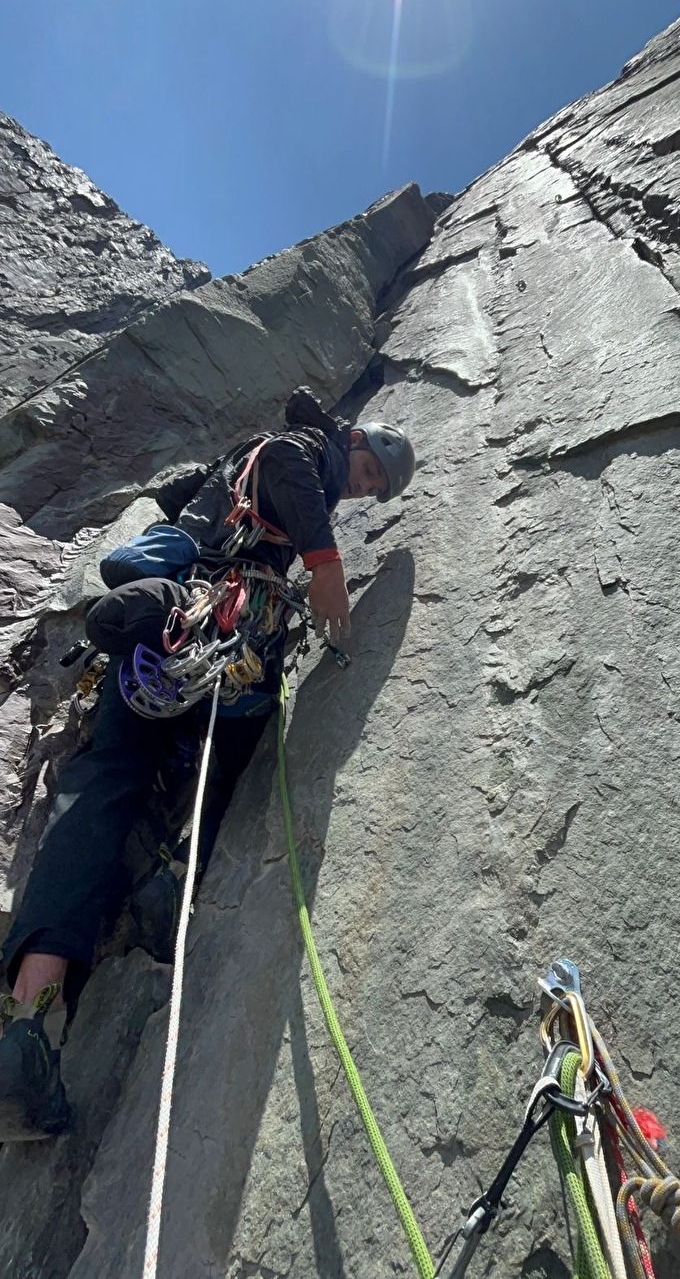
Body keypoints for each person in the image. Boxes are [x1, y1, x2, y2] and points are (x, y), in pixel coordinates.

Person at [0, 387, 415, 1141]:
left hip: (160, 638)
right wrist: (328, 584)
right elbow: (296, 483)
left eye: (370, 489)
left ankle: (26, 1028)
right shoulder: (297, 454)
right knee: (242, 740)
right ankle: (174, 874)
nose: (360, 488)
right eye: (364, 472)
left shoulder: (228, 474)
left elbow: (179, 500)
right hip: (225, 631)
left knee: (101, 790)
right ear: (351, 440)